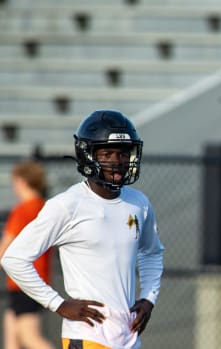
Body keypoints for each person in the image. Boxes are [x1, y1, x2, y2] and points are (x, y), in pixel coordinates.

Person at [1, 110, 165, 349]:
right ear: (88, 156)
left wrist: (149, 298)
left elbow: (152, 252)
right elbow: (14, 258)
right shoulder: (67, 205)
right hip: (87, 336)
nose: (116, 161)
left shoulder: (139, 203)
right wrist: (58, 304)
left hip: (129, 337)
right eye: (106, 153)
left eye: (121, 153)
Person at [0, 160, 54, 349]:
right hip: (36, 281)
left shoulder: (22, 210)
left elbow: (5, 247)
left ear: (21, 181)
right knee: (11, 337)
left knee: (30, 337)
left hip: (23, 282)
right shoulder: (45, 208)